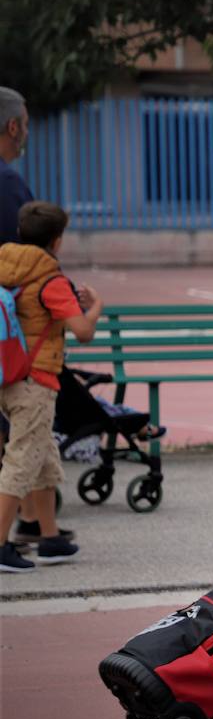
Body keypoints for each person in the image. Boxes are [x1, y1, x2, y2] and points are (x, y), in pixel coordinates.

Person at [0, 202, 102, 573]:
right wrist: (96, 308)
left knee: (43, 456)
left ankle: (49, 537)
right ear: (57, 241)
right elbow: (83, 332)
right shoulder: (51, 280)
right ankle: (1, 545)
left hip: (7, 375)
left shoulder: (7, 267)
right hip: (35, 381)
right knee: (22, 459)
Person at [0, 86, 65, 544]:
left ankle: (43, 528)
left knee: (28, 446)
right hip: (19, 347)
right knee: (22, 449)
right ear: (13, 126)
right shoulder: (8, 184)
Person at [0, 87, 32, 246]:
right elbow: (27, 256)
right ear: (13, 127)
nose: (26, 132)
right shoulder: (7, 181)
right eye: (25, 125)